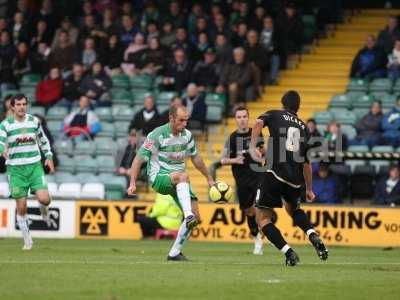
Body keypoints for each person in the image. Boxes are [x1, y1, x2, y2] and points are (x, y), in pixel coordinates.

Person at [249, 90, 328, 266]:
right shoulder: (304, 127)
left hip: (274, 173)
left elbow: (257, 123)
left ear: (282, 104)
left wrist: (253, 146)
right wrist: (308, 189)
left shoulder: (274, 113)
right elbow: (306, 163)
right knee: (294, 210)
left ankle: (289, 252)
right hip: (295, 179)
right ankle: (312, 234)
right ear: (298, 107)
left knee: (262, 219)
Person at [127, 105, 215, 261]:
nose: (184, 124)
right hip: (158, 178)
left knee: (197, 218)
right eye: (181, 120)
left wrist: (208, 177)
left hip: (179, 180)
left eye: (186, 120)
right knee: (183, 177)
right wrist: (132, 182)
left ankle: (174, 252)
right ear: (171, 118)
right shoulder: (157, 135)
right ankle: (187, 214)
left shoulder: (187, 135)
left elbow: (196, 158)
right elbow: (139, 158)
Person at [0, 94, 55, 250]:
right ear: (12, 107)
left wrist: (49, 156)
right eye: (18, 104)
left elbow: (43, 140)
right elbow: (0, 141)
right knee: (22, 206)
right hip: (15, 170)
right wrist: (1, 150)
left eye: (24, 104)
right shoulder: (6, 125)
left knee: (45, 199)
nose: (22, 107)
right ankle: (27, 240)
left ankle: (44, 210)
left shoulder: (34, 121)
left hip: (34, 166)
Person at [221, 106, 264, 255]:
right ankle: (257, 237)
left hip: (258, 176)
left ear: (248, 117)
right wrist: (235, 159)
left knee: (260, 206)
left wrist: (261, 154)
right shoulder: (232, 138)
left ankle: (266, 233)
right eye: (239, 117)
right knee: (249, 211)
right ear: (235, 119)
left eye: (244, 116)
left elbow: (263, 152)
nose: (242, 119)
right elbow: (223, 160)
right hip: (242, 180)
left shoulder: (256, 133)